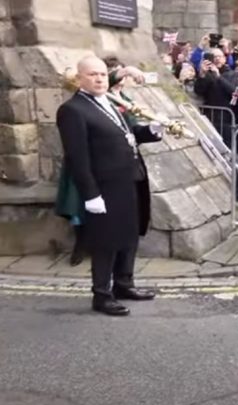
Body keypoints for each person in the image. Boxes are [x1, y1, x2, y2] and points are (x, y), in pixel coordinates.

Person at [56, 56, 162, 316]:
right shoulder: (73, 110)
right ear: (79, 78)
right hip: (103, 186)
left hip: (130, 180)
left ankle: (124, 284)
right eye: (93, 74)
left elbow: (127, 134)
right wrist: (90, 194)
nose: (100, 79)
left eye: (103, 74)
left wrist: (152, 130)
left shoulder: (111, 101)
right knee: (106, 241)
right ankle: (102, 295)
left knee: (128, 235)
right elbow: (77, 158)